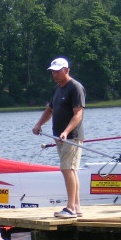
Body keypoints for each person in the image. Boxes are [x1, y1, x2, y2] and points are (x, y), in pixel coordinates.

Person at [32, 57, 86, 218]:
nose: (54, 75)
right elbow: (50, 110)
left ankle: (70, 207)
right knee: (70, 170)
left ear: (66, 70)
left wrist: (66, 132)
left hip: (72, 137)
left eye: (57, 71)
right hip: (59, 137)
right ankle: (76, 207)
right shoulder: (57, 88)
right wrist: (38, 125)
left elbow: (78, 114)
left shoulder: (75, 87)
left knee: (67, 169)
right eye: (53, 72)